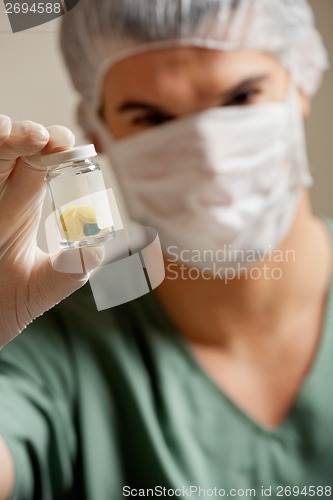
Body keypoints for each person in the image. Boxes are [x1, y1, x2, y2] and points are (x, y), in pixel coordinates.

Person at [0, 0, 332, 498]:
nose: (208, 153)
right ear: (99, 133)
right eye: (152, 117)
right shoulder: (47, 336)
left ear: (301, 81)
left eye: (240, 97)